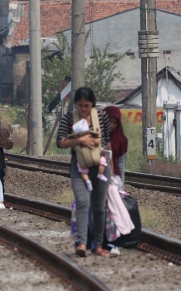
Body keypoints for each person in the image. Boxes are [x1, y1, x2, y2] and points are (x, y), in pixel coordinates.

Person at [57, 87, 112, 257]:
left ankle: (99, 245)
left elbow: (107, 143)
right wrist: (80, 139)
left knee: (99, 207)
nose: (83, 109)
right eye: (80, 105)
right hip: (79, 166)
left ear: (92, 105)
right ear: (75, 105)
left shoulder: (102, 117)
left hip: (100, 165)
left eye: (86, 105)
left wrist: (113, 170)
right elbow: (60, 142)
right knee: (82, 202)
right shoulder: (68, 119)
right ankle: (81, 243)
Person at [104, 106, 128, 185]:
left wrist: (121, 184)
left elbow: (121, 164)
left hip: (114, 176)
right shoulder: (96, 136)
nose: (111, 125)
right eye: (109, 122)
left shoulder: (121, 140)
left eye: (115, 123)